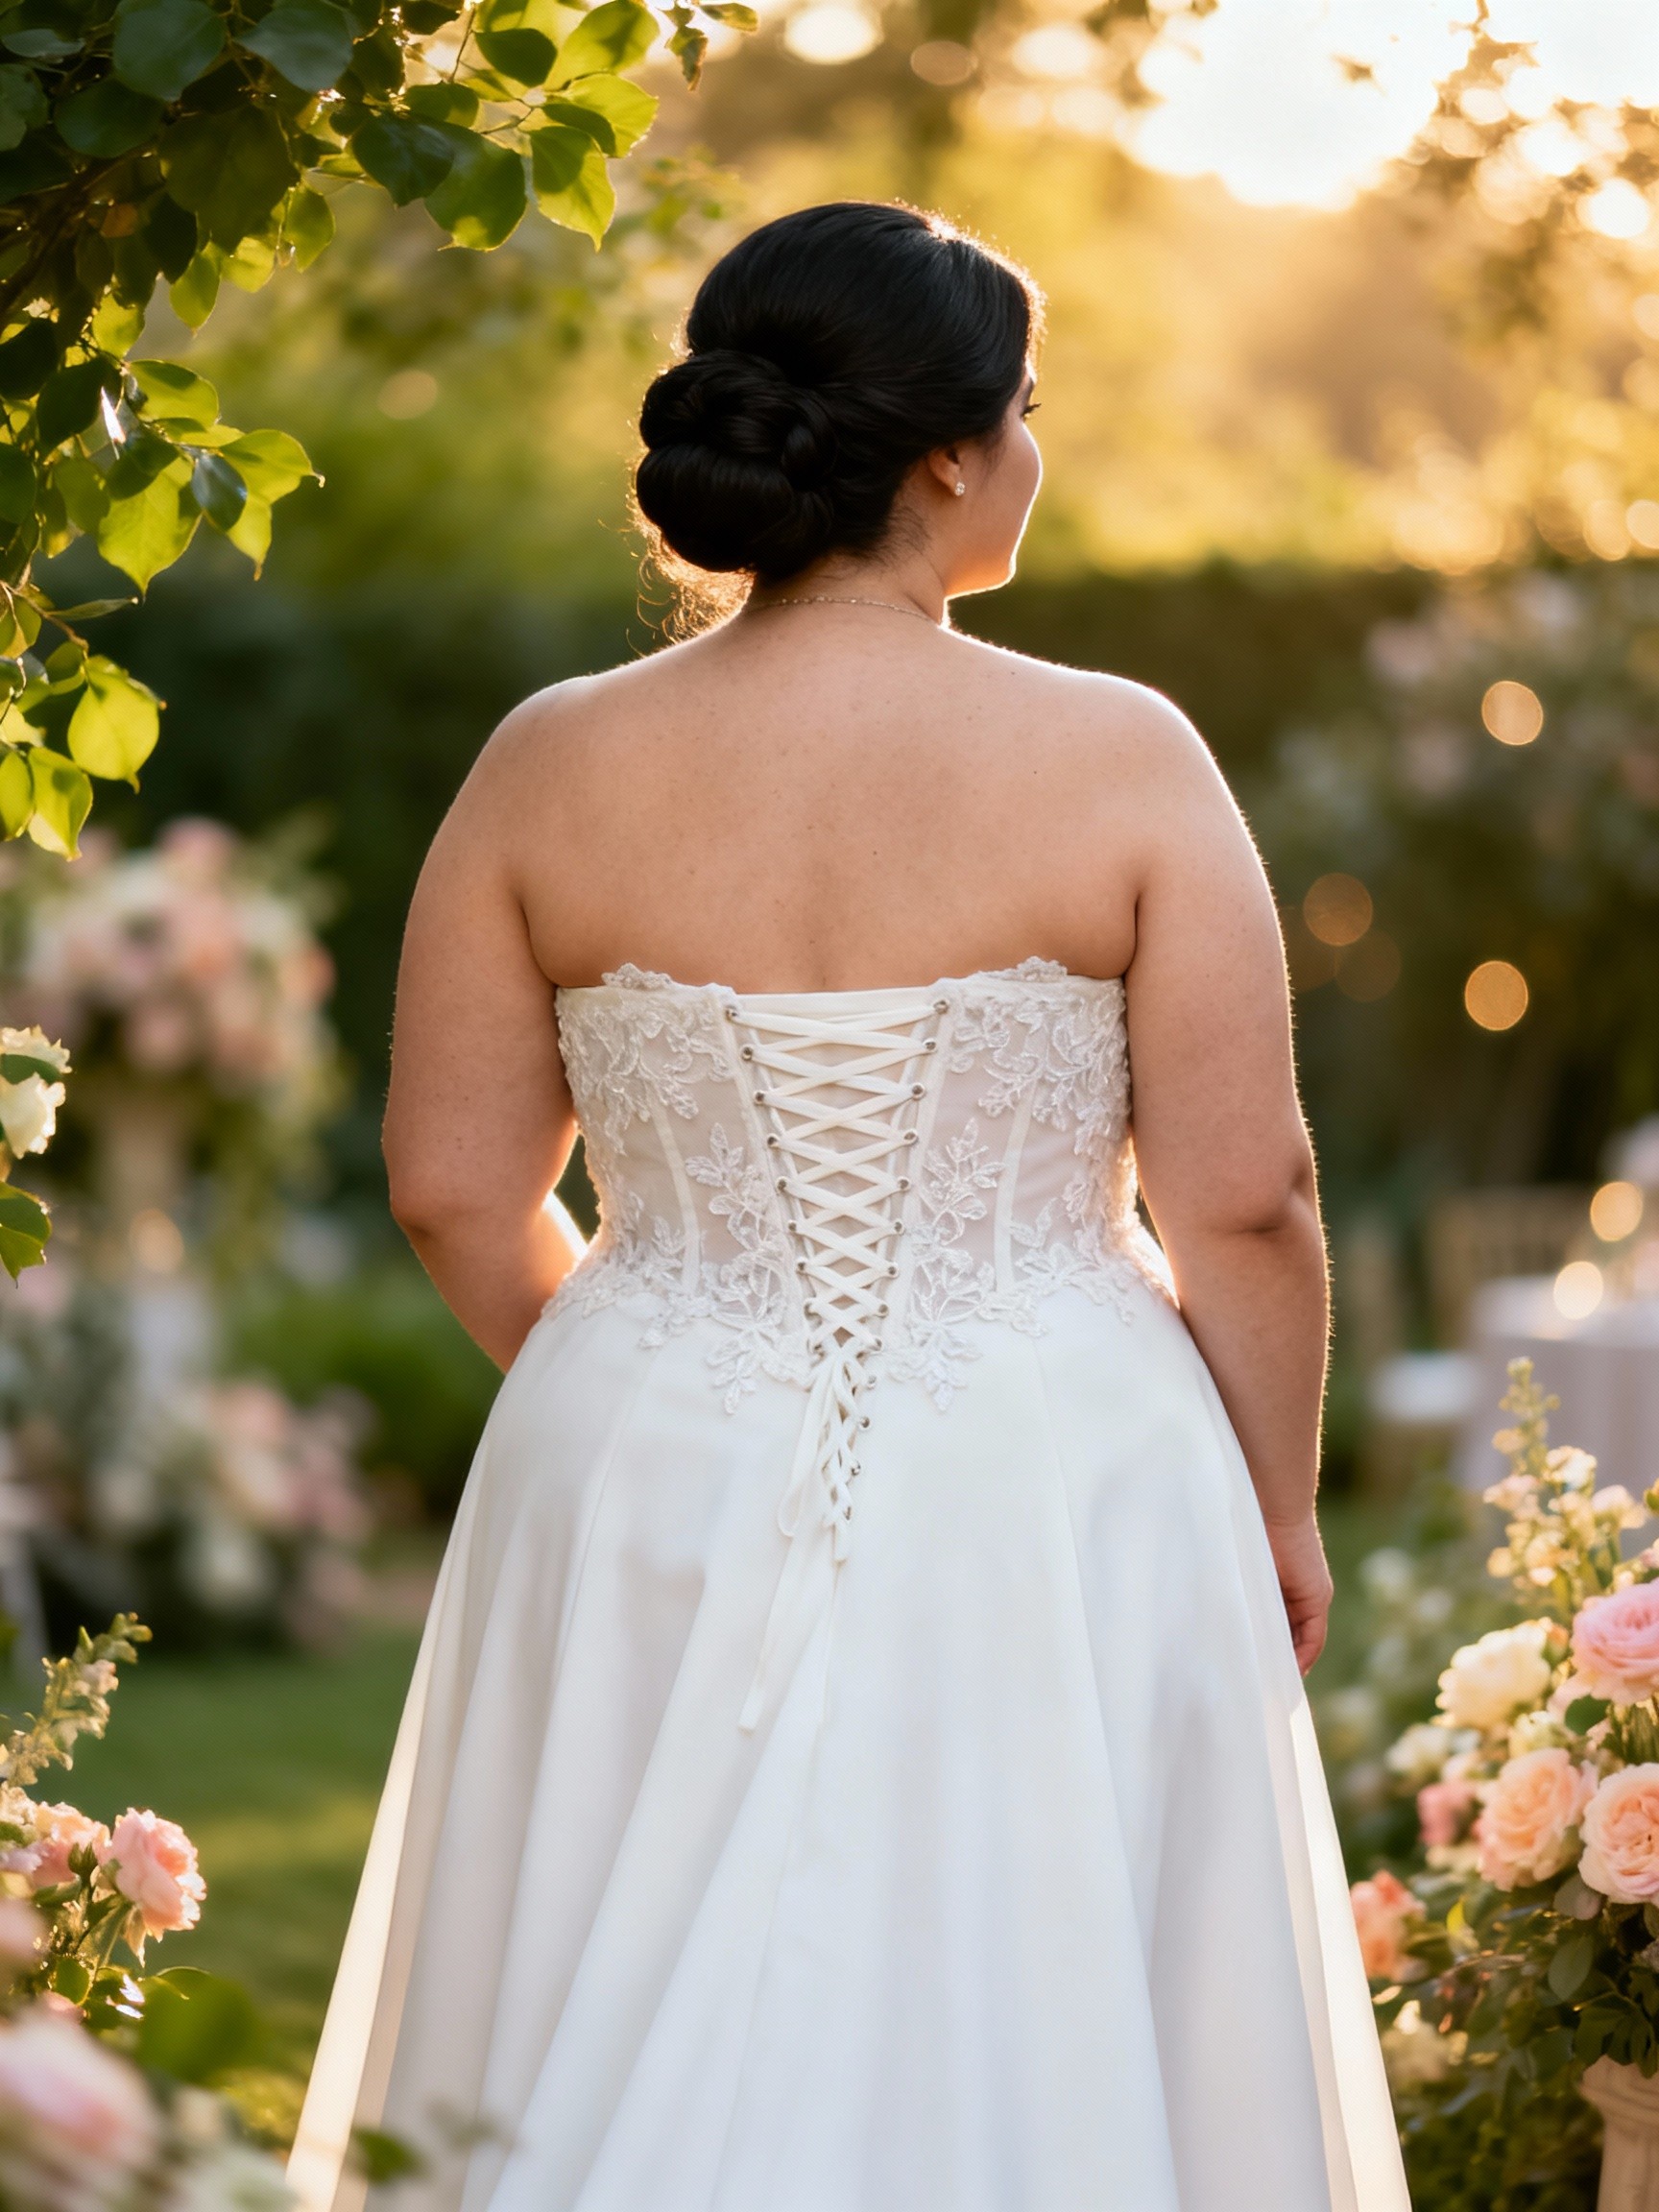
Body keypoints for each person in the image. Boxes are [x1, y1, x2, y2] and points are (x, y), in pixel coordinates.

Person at [290, 200, 1408, 2212]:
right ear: (953, 454)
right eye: (1030, 410)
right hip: (1059, 1466)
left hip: (631, 1460)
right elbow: (1245, 1197)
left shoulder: (546, 766)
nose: (1035, 451)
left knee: (595, 1980)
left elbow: (455, 1189)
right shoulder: (1121, 756)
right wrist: (1279, 1506)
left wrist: (666, 1375)